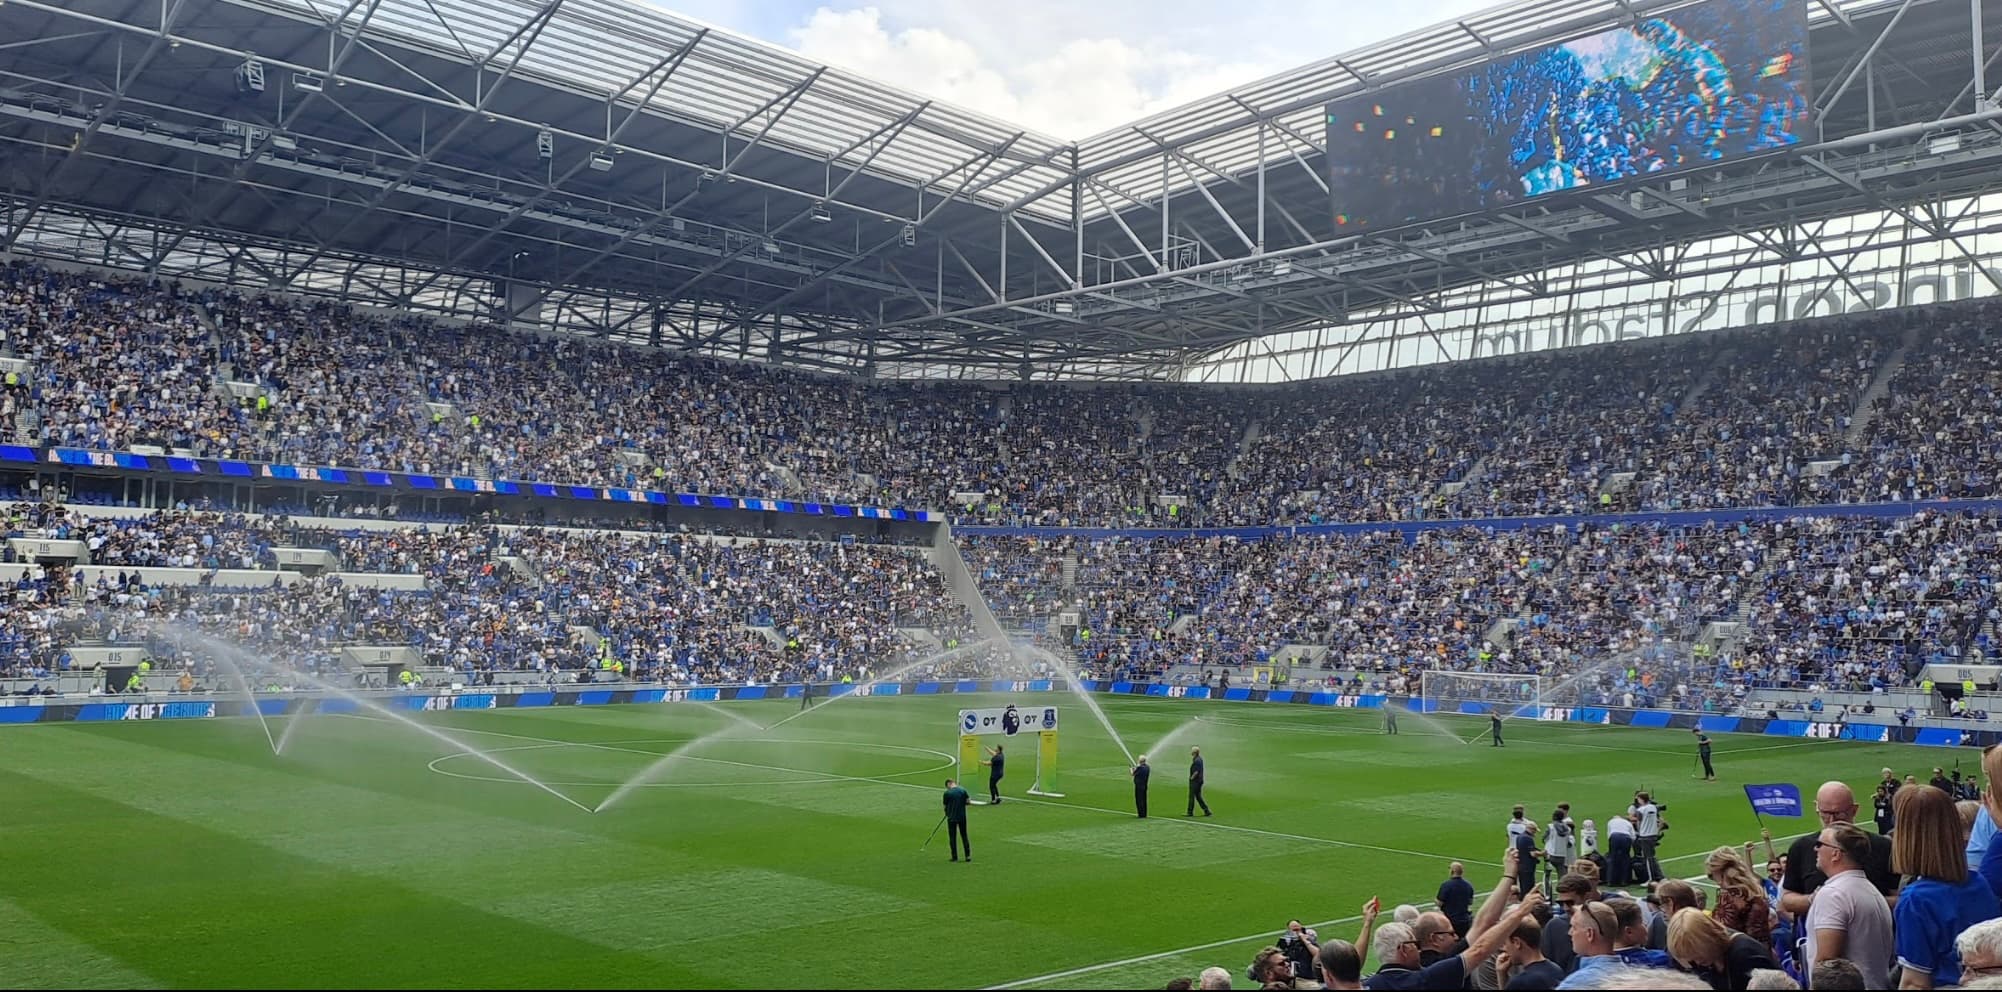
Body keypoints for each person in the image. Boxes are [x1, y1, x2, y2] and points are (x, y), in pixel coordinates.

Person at [942, 777, 971, 862]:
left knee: (952, 837)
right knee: (964, 835)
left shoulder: (947, 793)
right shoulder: (962, 790)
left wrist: (947, 812)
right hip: (962, 817)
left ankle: (954, 857)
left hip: (951, 818)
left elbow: (945, 806)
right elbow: (968, 802)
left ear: (948, 784)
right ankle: (967, 855)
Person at [1187, 745, 1212, 817]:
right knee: (1198, 796)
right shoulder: (1198, 759)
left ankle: (1190, 812)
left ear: (1194, 752)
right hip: (1199, 781)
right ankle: (1206, 810)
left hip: (1196, 781)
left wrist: (1191, 778)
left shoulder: (1197, 760)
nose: (1191, 752)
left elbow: (1196, 772)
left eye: (1192, 751)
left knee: (1191, 796)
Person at [1133, 754, 1151, 818]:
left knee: (1139, 800)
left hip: (1139, 786)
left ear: (1140, 761)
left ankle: (1141, 814)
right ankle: (1144, 814)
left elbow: (1133, 773)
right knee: (1144, 800)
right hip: (1144, 786)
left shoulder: (1140, 768)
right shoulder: (1147, 767)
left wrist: (1131, 769)